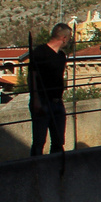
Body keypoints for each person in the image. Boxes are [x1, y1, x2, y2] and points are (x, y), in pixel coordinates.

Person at [28, 23, 73, 155]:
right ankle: (36, 170)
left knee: (58, 141)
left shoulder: (61, 56)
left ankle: (56, 168)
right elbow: (32, 77)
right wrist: (35, 99)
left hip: (57, 101)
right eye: (69, 38)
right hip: (42, 100)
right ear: (64, 38)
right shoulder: (40, 52)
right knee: (39, 141)